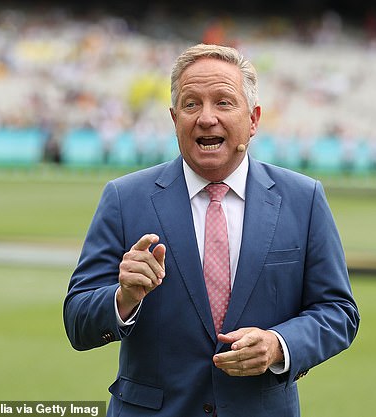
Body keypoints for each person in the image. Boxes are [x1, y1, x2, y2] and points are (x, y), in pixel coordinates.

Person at [64, 43, 359, 417]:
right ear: (175, 119)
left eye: (223, 102)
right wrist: (124, 298)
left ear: (253, 119)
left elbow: (338, 311)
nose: (206, 118)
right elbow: (77, 320)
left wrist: (278, 344)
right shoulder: (125, 198)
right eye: (191, 104)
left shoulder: (303, 199)